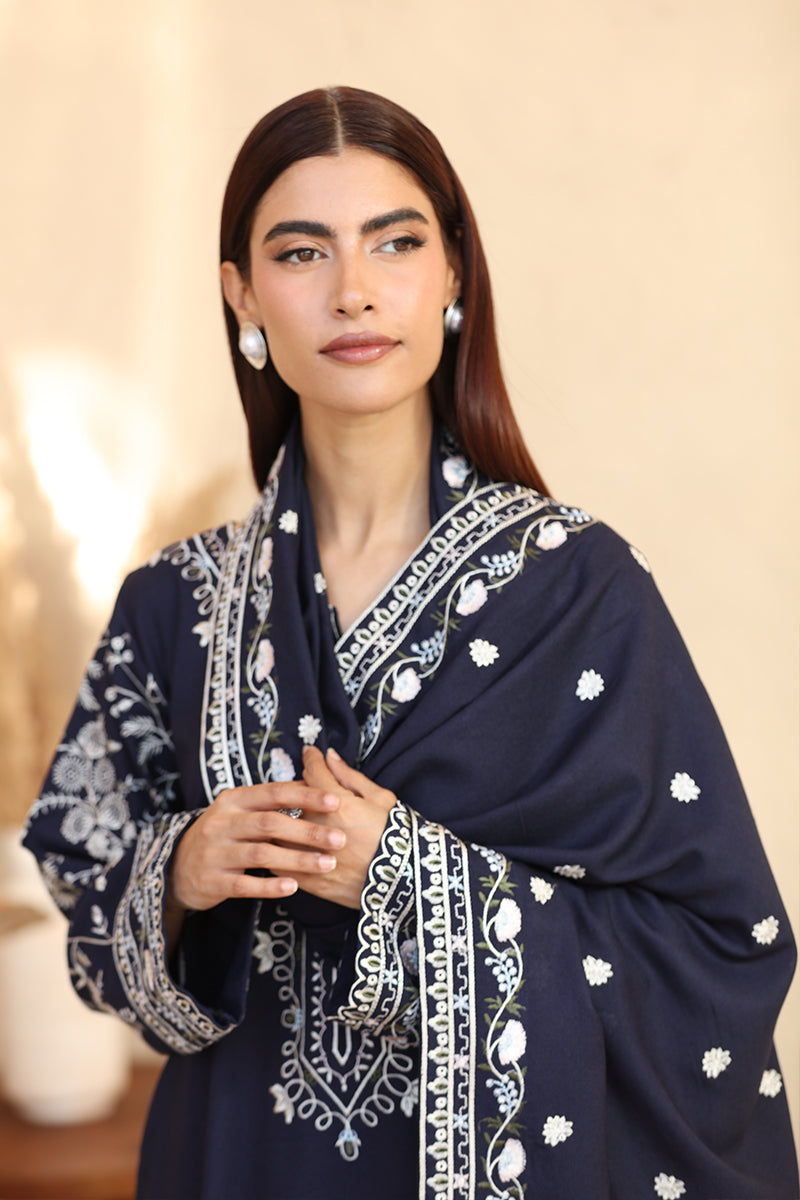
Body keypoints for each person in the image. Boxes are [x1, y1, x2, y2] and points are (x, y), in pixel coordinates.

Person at [23, 86, 798, 1200]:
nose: (352, 291)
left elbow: (723, 950)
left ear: (452, 279)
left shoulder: (578, 592)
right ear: (240, 294)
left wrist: (406, 879)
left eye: (394, 242)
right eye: (300, 253)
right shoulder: (170, 606)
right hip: (232, 1161)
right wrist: (181, 872)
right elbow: (90, 906)